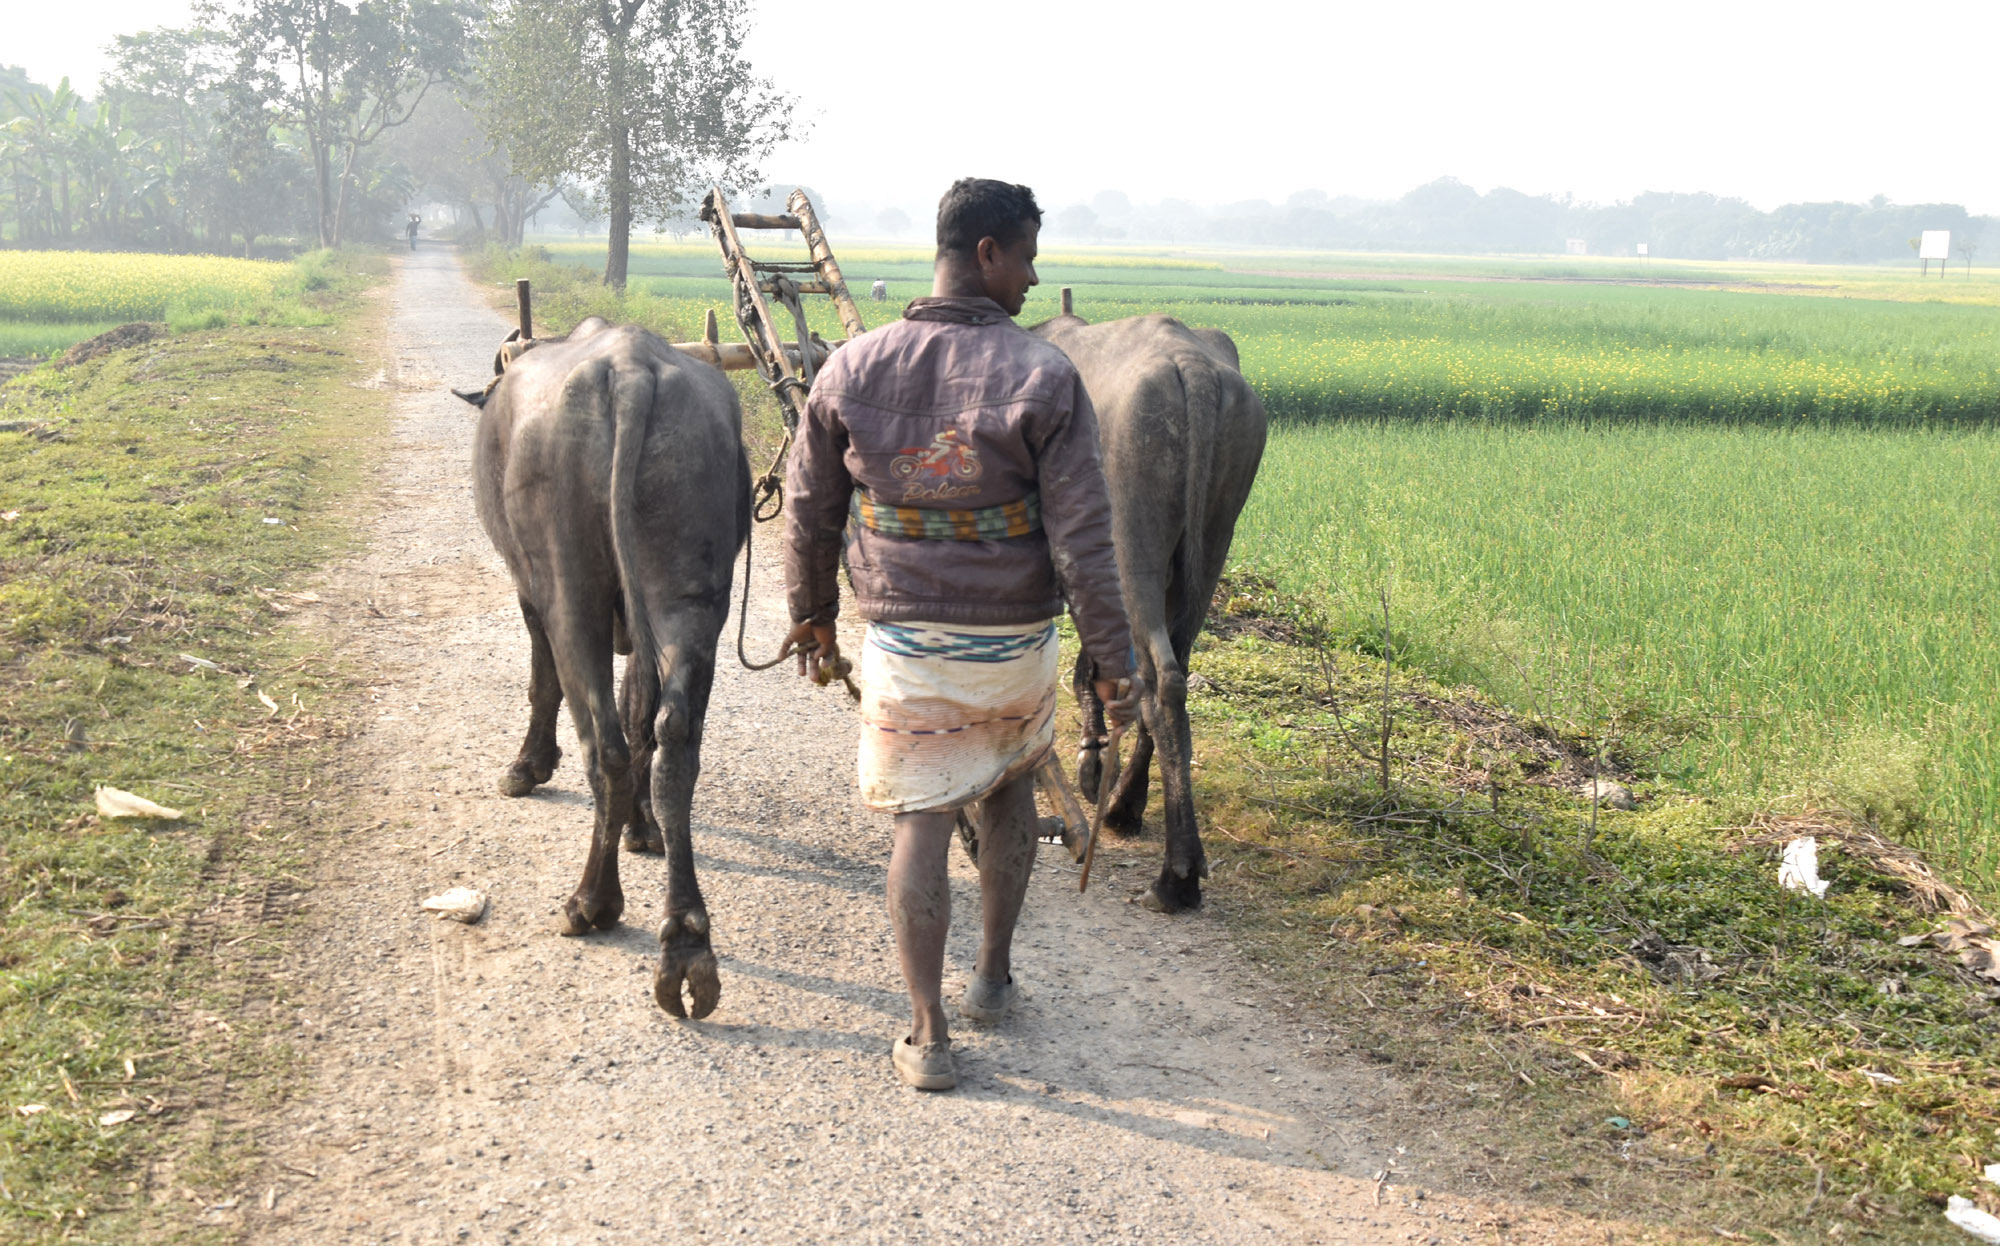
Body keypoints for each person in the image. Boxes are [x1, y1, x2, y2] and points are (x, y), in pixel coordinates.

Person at [783, 178, 1136, 1091]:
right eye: (1023, 257)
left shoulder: (852, 368)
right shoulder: (1044, 376)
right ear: (986, 253)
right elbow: (1084, 537)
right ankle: (991, 980)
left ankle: (928, 1034)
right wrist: (1113, 664)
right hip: (1013, 638)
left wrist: (812, 617)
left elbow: (809, 511)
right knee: (1009, 785)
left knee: (923, 815)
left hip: (905, 640)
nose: (1028, 279)